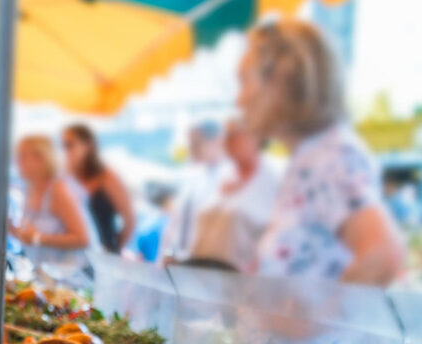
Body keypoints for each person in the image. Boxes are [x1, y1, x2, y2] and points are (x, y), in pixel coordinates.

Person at [239, 20, 404, 284]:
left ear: (284, 78)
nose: (240, 99)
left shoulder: (331, 156)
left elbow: (383, 255)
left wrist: (318, 322)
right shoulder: (310, 155)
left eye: (245, 80)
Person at [188, 119, 282, 271]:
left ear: (256, 137)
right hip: (203, 273)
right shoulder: (220, 175)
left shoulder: (275, 176)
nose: (227, 142)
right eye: (226, 136)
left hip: (244, 278)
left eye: (234, 136)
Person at [11, 135, 92, 268]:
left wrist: (37, 238)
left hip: (69, 277)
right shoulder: (29, 187)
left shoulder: (58, 190)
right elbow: (31, 232)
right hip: (42, 272)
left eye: (23, 156)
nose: (17, 161)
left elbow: (83, 239)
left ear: (41, 158)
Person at [157, 121, 231, 263]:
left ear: (216, 141)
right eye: (190, 144)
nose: (192, 149)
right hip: (182, 261)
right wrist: (167, 252)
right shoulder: (193, 176)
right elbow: (176, 220)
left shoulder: (228, 177)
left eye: (196, 144)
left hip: (206, 262)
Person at [62, 124, 135, 254]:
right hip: (73, 255)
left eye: (70, 145)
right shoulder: (65, 177)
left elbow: (130, 220)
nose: (66, 151)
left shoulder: (108, 177)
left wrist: (113, 250)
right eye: (64, 146)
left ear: (88, 145)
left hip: (103, 252)